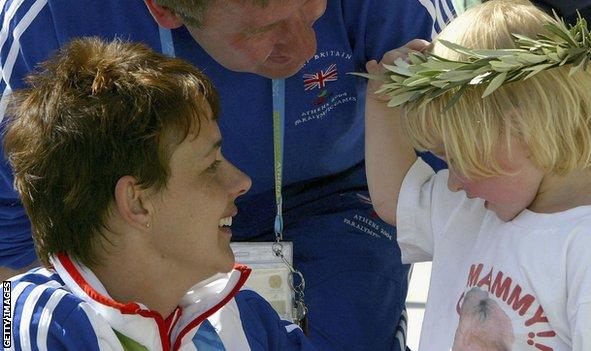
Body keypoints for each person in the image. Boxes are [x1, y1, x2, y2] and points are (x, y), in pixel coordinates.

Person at [0, 0, 455, 349]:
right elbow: (17, 227)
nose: (307, 49)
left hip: (340, 199)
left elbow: (466, 167)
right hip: (146, 235)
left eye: (314, 8)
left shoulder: (246, 317)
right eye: (263, 28)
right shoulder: (32, 320)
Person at [3, 37, 316, 350]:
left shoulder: (247, 321)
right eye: (210, 166)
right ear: (137, 202)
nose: (242, 182)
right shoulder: (31, 323)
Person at [364, 0, 591, 349]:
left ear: (523, 130)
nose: (453, 180)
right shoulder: (470, 209)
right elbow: (394, 199)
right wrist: (381, 99)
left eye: (459, 157)